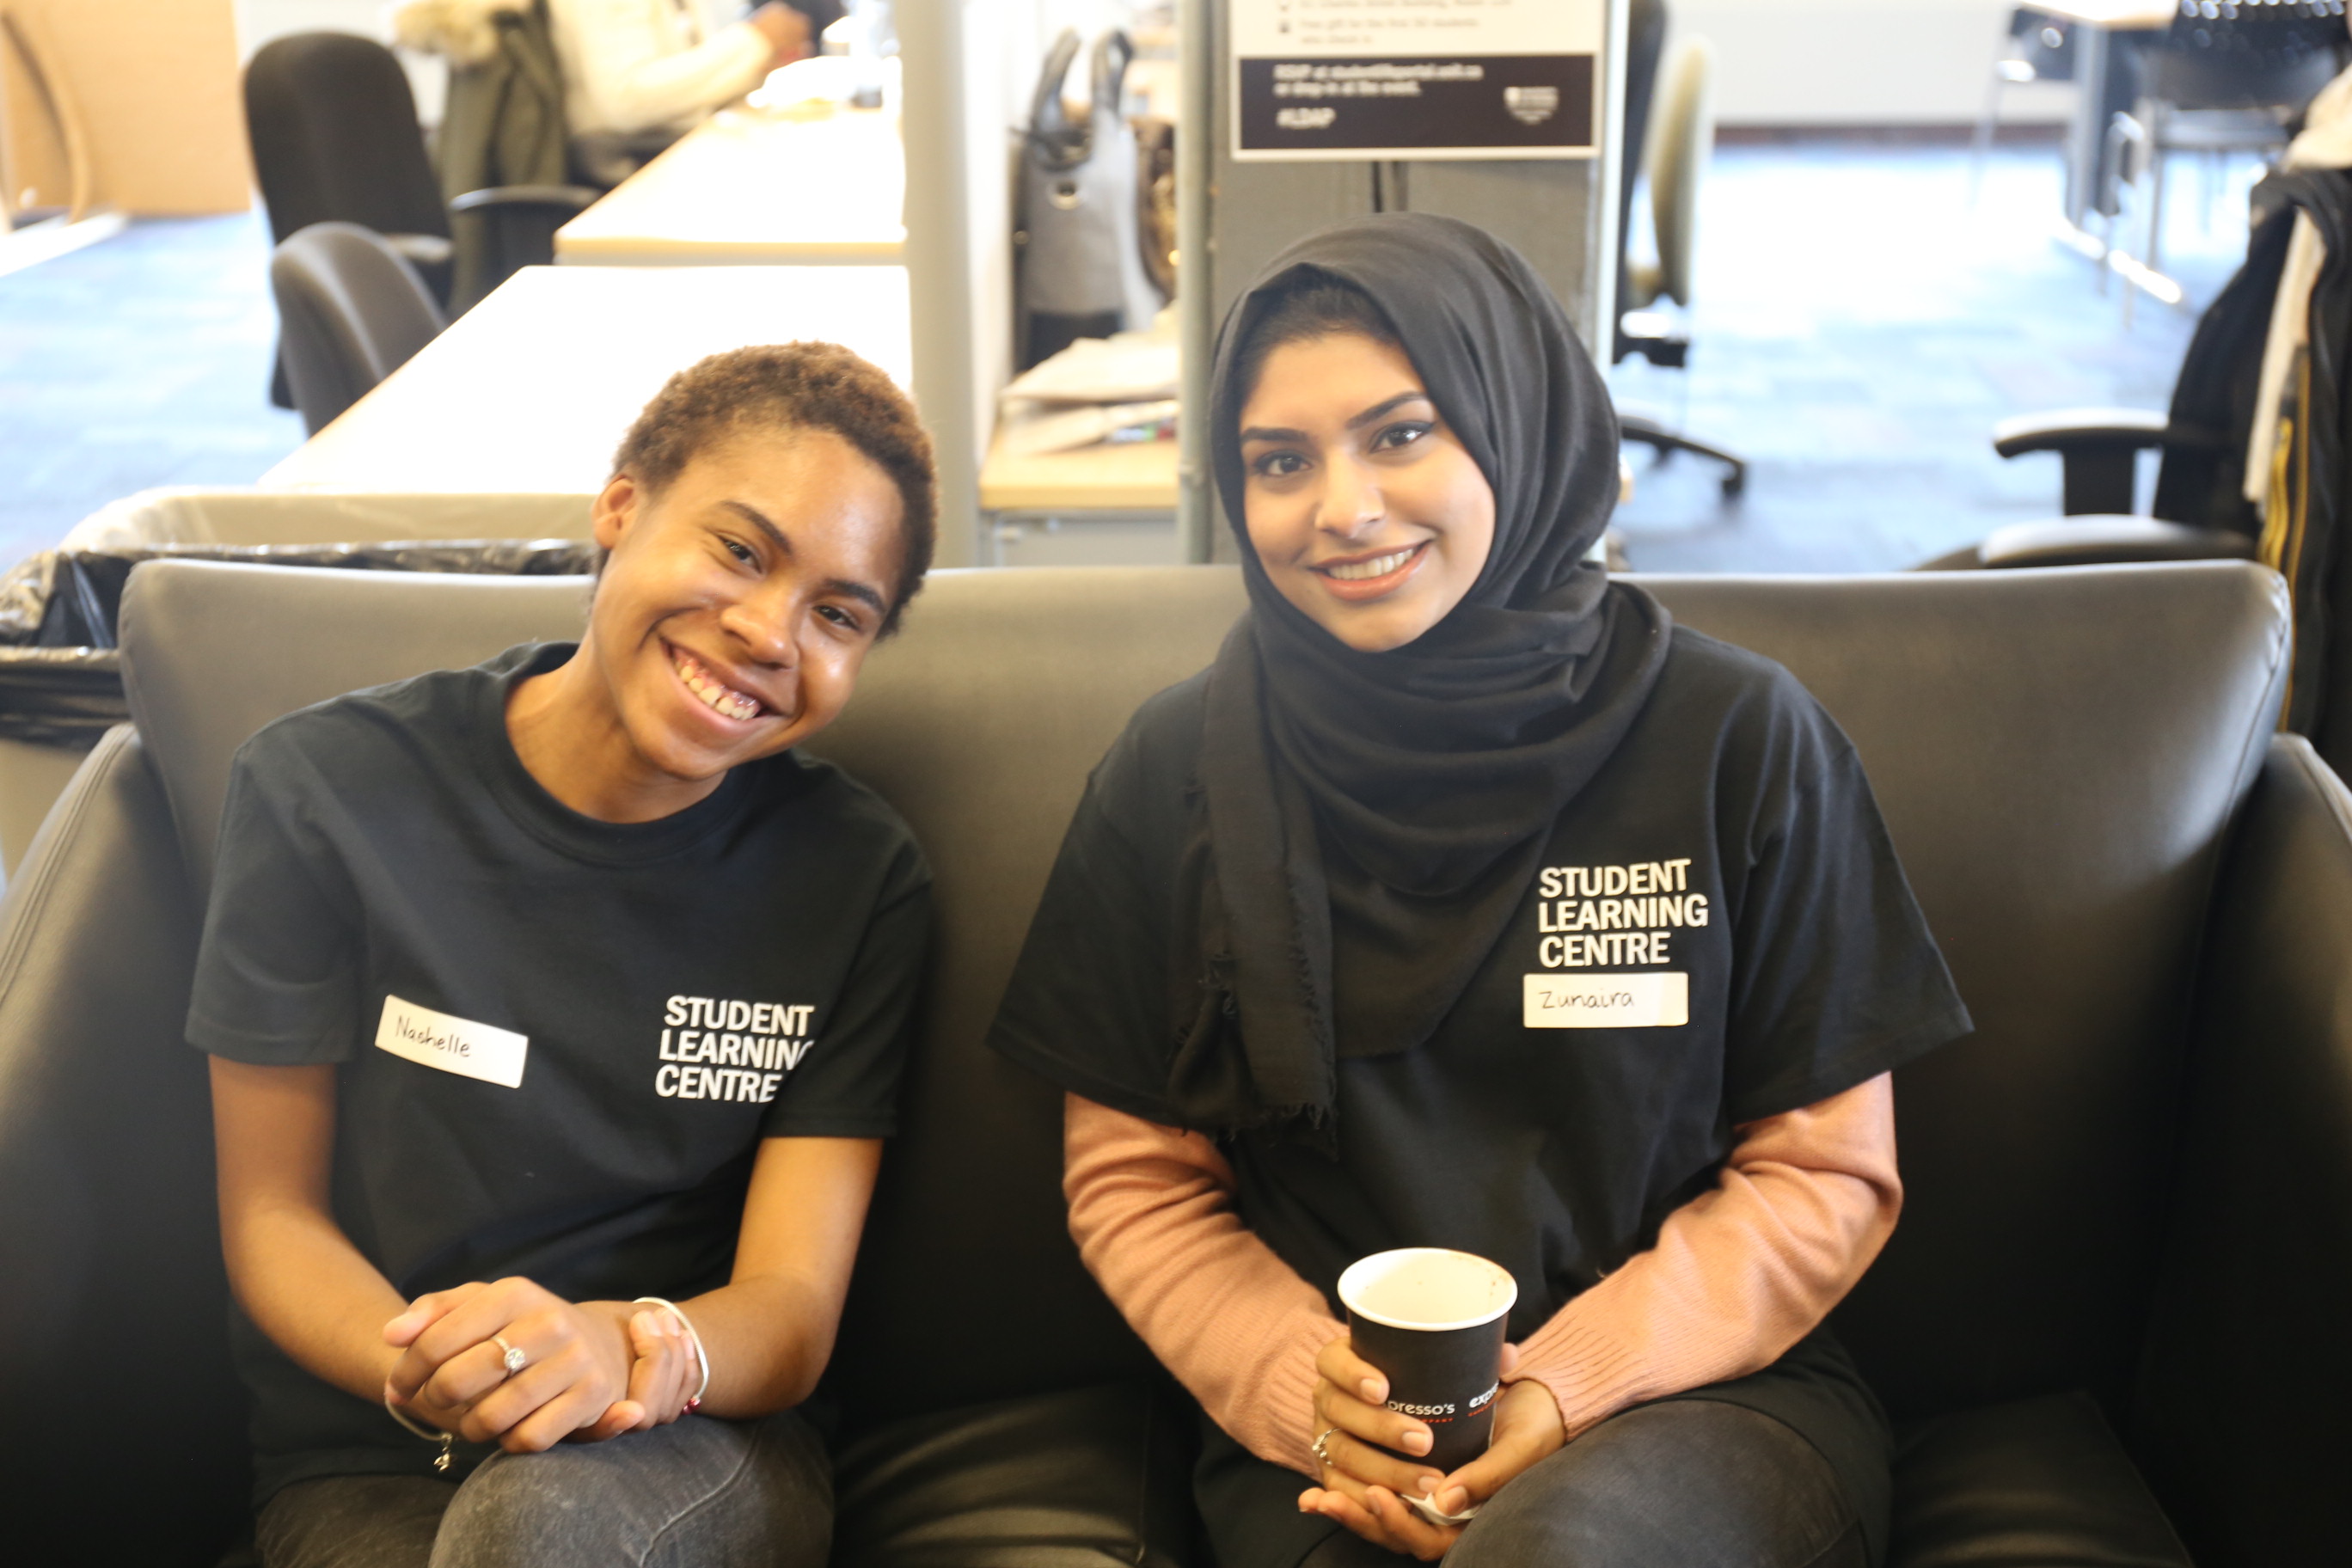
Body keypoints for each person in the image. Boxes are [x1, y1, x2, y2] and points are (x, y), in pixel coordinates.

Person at [987, 213, 1971, 1568]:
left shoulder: (1736, 737)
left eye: (1400, 435)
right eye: (1280, 461)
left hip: (1698, 1398)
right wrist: (1307, 1393)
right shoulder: (1180, 768)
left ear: (1520, 428)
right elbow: (1137, 1185)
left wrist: (1569, 1381)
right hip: (1339, 1426)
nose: (1340, 508)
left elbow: (1823, 1174)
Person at [193, 341, 934, 1568]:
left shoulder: (856, 876)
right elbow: (273, 1215)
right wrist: (447, 1367)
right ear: (621, 505)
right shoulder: (324, 789)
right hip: (380, 1438)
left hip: (692, 1436)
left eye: (838, 614)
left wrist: (624, 1349)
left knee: (536, 1528)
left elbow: (790, 1314)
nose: (766, 629)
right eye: (739, 550)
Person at [548, 0, 842, 144]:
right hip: (636, 169)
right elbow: (627, 100)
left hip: (675, 152)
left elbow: (686, 76)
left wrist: (759, 62)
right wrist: (756, 40)